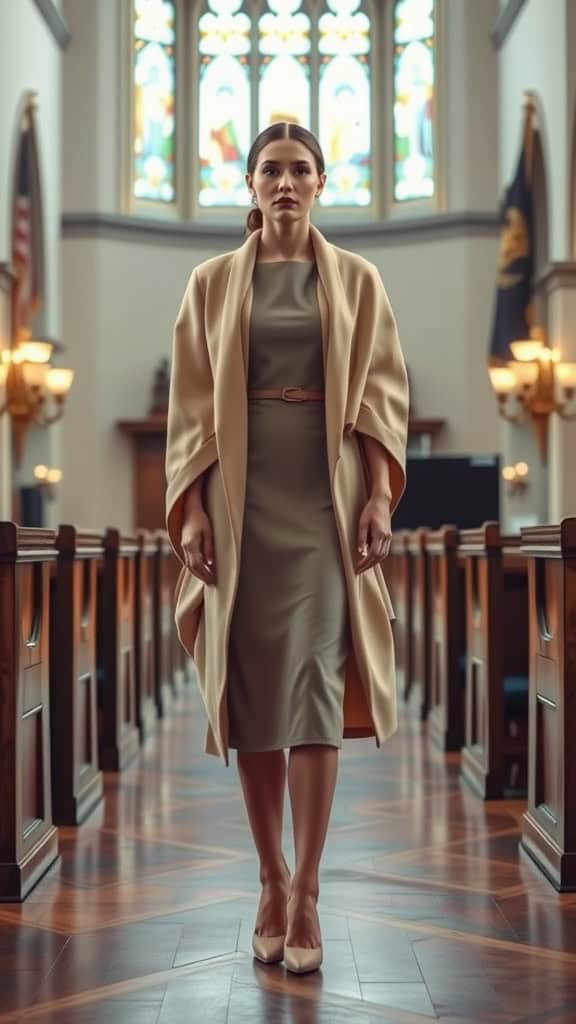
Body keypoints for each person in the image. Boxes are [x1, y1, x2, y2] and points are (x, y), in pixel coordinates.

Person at [165, 121, 409, 975]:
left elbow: (381, 393)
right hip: (240, 499)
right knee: (255, 694)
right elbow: (193, 408)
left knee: (312, 691)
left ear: (321, 182)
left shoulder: (357, 279)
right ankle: (267, 874)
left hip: (323, 500)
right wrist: (190, 509)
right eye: (270, 169)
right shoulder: (209, 284)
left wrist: (379, 492)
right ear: (250, 182)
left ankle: (307, 887)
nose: (286, 182)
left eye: (301, 169)